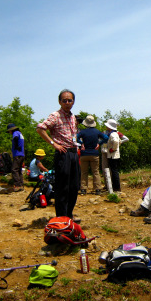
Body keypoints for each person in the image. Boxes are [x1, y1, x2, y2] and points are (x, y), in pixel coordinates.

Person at [36, 89, 80, 219]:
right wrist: (53, 144)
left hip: (73, 153)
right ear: (59, 101)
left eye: (70, 100)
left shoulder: (73, 117)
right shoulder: (55, 115)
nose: (67, 102)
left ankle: (69, 215)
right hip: (63, 153)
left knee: (74, 186)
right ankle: (61, 218)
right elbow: (40, 129)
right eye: (64, 100)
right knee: (63, 187)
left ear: (73, 101)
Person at [77, 115, 108, 195]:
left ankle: (83, 189)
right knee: (96, 172)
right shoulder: (97, 131)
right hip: (94, 154)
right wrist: (99, 143)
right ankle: (98, 189)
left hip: (84, 154)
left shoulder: (82, 132)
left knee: (84, 172)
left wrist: (81, 143)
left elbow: (74, 138)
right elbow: (106, 138)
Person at [105, 119, 122, 192]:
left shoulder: (112, 134)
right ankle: (116, 187)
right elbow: (120, 141)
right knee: (114, 171)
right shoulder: (115, 133)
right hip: (114, 155)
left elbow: (116, 141)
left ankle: (116, 187)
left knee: (114, 171)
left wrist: (113, 149)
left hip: (113, 155)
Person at [7, 123, 25, 192]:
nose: (9, 133)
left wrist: (16, 146)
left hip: (18, 154)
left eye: (9, 131)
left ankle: (17, 185)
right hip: (22, 154)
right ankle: (21, 185)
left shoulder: (15, 133)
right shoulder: (20, 133)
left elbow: (15, 138)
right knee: (18, 170)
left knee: (14, 169)